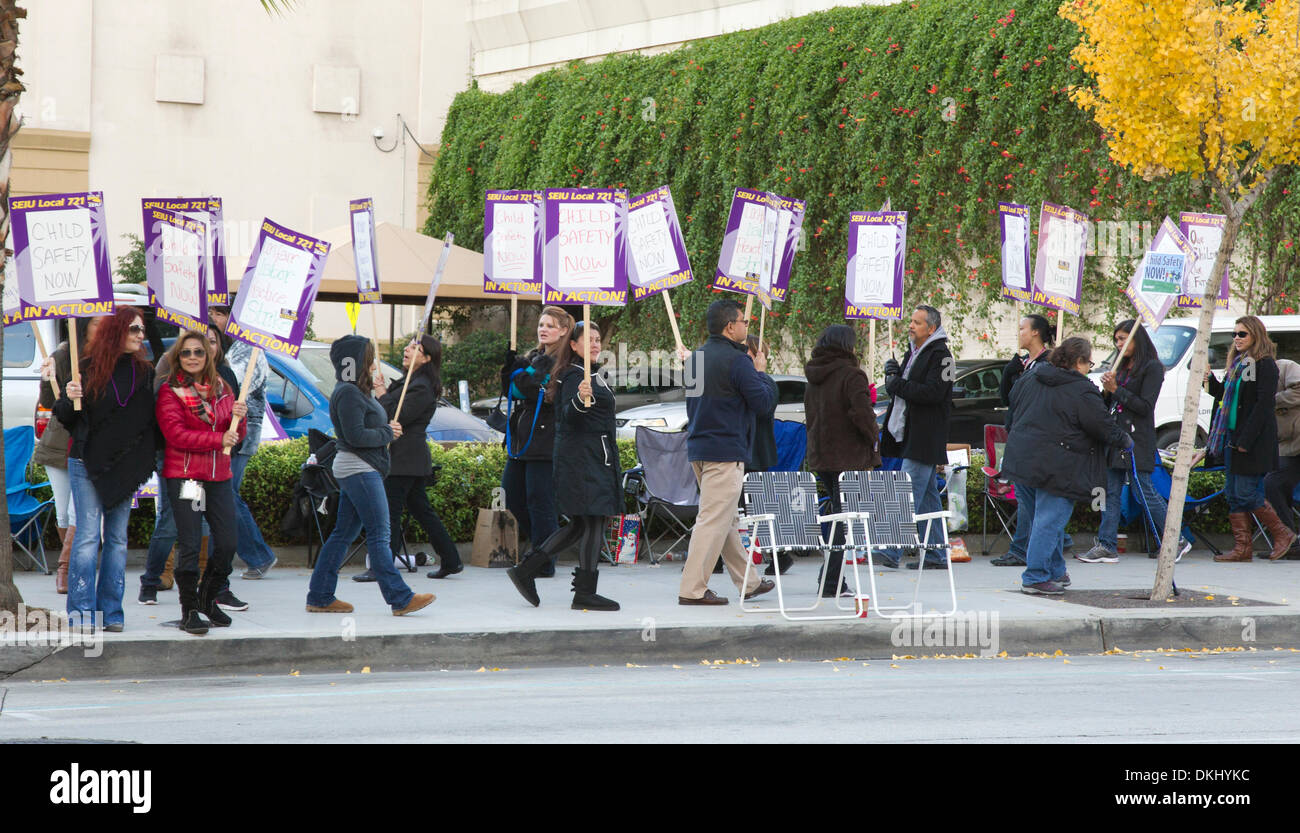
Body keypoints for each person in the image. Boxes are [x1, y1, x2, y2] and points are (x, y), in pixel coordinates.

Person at [305, 335, 434, 615]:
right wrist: (388, 432)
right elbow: (355, 436)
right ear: (354, 361)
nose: (374, 363)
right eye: (369, 357)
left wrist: (383, 419)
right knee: (379, 533)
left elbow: (362, 429)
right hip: (359, 468)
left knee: (343, 534)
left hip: (360, 467)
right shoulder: (349, 392)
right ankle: (400, 598)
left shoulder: (354, 390)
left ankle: (320, 595)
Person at [1000, 337, 1131, 595]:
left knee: (1044, 519)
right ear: (1079, 362)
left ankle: (1055, 571)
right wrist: (1125, 440)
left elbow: (1011, 405)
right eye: (1088, 363)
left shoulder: (1031, 376)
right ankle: (1036, 576)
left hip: (1021, 458)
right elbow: (1102, 425)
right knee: (1049, 520)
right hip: (1057, 463)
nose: (1088, 368)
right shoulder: (1081, 389)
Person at [507, 321, 623, 610]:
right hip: (585, 460)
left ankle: (526, 570)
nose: (596, 344)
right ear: (573, 345)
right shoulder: (575, 375)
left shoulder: (591, 373)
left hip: (592, 456)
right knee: (593, 520)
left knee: (580, 524)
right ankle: (585, 591)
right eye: (589, 340)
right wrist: (582, 401)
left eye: (598, 339)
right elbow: (569, 416)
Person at [56, 308, 158, 631]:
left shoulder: (146, 372)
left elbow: (149, 420)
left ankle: (111, 612)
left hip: (125, 464)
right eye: (134, 329)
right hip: (86, 460)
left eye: (142, 330)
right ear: (116, 331)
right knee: (87, 536)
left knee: (117, 538)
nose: (140, 335)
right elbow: (66, 419)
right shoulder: (85, 368)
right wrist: (69, 397)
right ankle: (81, 612)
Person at [674, 299, 776, 605]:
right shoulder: (738, 361)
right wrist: (760, 373)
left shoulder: (694, 359)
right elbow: (763, 404)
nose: (747, 325)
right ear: (730, 326)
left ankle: (749, 582)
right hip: (725, 450)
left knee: (726, 519)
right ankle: (692, 590)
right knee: (712, 520)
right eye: (744, 321)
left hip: (700, 448)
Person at [154, 331, 247, 635]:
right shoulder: (171, 391)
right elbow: (175, 435)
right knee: (191, 543)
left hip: (219, 476)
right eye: (186, 353)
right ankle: (189, 609)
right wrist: (218, 438)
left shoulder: (223, 387)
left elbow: (236, 435)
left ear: (209, 356)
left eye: (199, 352)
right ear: (177, 357)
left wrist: (239, 419)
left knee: (228, 542)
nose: (193, 357)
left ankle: (209, 597)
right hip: (187, 477)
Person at [1078, 321, 1193, 564]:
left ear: (1136, 339)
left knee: (1144, 491)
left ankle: (1176, 539)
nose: (1119, 344)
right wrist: (1107, 391)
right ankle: (1106, 544)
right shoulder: (1120, 367)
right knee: (1110, 492)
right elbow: (1109, 405)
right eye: (1117, 340)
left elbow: (1144, 406)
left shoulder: (1152, 368)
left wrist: (1117, 389)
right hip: (1115, 436)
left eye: (1123, 339)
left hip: (1136, 438)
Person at [1205, 316, 1295, 561]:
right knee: (1233, 493)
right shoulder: (1240, 365)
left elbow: (1263, 405)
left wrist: (1246, 440)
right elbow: (1224, 396)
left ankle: (1283, 533)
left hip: (1252, 441)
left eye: (1242, 334)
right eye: (1235, 334)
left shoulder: (1264, 365)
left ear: (1256, 335)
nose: (1237, 338)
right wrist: (1209, 379)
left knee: (1246, 493)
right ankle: (1242, 548)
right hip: (1232, 438)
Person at [375, 335, 464, 579]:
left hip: (405, 459)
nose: (407, 349)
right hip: (405, 458)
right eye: (409, 345)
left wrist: (381, 392)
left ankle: (383, 567)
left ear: (426, 358)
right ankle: (452, 560)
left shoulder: (421, 386)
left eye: (415, 348)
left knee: (390, 513)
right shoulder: (408, 381)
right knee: (422, 512)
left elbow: (395, 416)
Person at [803, 324, 882, 595]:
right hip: (849, 457)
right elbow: (862, 414)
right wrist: (874, 436)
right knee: (843, 521)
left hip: (821, 456)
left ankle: (830, 577)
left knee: (838, 515)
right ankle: (831, 581)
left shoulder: (814, 377)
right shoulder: (852, 375)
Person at [500, 306, 573, 577]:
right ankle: (541, 549)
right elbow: (513, 389)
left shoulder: (566, 361)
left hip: (545, 440)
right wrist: (512, 371)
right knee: (512, 496)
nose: (543, 329)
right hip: (522, 440)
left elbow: (537, 390)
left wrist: (523, 376)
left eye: (550, 325)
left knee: (540, 502)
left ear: (564, 330)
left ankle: (544, 559)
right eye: (541, 324)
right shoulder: (533, 356)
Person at [879, 305, 954, 570]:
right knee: (929, 497)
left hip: (926, 435)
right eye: (910, 321)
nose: (910, 326)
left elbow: (935, 393)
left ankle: (890, 550)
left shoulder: (944, 356)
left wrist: (896, 384)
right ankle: (935, 554)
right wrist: (894, 374)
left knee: (907, 493)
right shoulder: (913, 352)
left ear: (931, 328)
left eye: (917, 322)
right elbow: (904, 387)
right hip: (912, 433)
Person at [210, 305, 278, 588]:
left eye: (218, 314)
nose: (213, 319)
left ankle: (258, 555)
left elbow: (231, 385)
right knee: (221, 495)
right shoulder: (231, 348)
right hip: (225, 434)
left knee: (226, 494)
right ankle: (217, 560)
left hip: (240, 435)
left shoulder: (248, 350)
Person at [36, 317, 101, 595]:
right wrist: (47, 379)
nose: (104, 327)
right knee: (64, 511)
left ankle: (66, 569)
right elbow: (50, 404)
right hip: (61, 442)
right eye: (97, 322)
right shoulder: (62, 355)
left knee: (79, 510)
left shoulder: (111, 357)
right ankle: (73, 564)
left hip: (94, 446)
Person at [992, 314, 1060, 567]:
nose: (1019, 332)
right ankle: (1028, 548)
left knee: (1032, 501)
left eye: (1022, 328)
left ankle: (1031, 549)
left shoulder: (1048, 363)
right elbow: (1009, 400)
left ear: (1035, 333)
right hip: (1020, 438)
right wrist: (1010, 373)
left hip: (1036, 442)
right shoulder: (1027, 364)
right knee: (1027, 499)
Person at [1263, 358, 1300, 557]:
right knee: (1271, 483)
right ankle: (1288, 540)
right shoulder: (1249, 371)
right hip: (1283, 444)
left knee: (1272, 482)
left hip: (1295, 444)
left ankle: (1288, 538)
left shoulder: (1285, 367)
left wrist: (1274, 399)